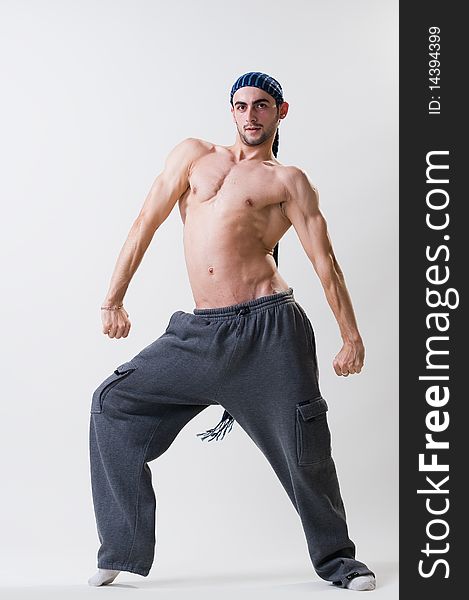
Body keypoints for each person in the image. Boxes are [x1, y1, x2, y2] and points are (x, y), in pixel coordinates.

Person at [88, 71, 376, 591]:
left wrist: (350, 337)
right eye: (241, 106)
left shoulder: (287, 181)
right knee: (112, 404)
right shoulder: (193, 157)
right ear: (231, 111)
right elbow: (144, 222)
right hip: (201, 335)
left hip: (270, 331)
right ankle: (123, 547)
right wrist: (113, 298)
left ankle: (339, 560)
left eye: (262, 106)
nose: (250, 116)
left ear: (280, 112)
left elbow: (325, 261)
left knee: (303, 446)